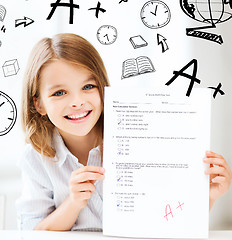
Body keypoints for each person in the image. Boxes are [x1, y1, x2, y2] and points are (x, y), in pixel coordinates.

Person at [16, 33, 232, 231]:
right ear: (39, 104)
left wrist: (208, 197)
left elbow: (170, 219)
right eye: (59, 92)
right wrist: (73, 202)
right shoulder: (36, 158)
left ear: (103, 88)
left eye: (88, 86)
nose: (77, 102)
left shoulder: (138, 136)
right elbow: (32, 232)